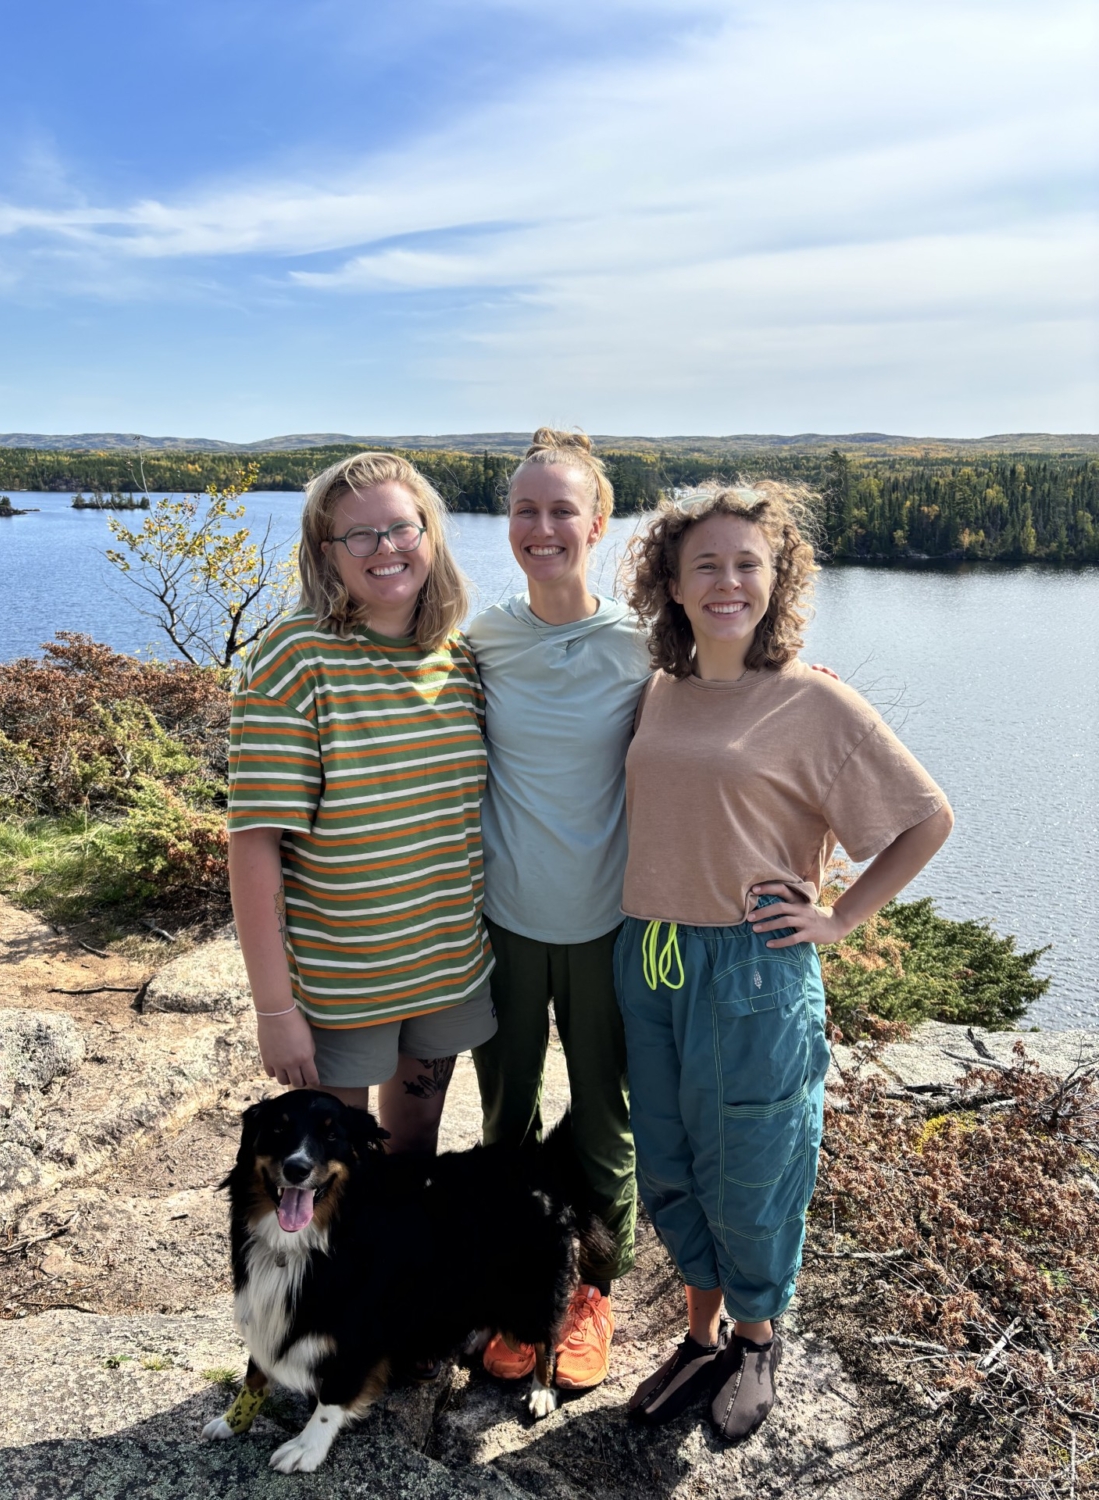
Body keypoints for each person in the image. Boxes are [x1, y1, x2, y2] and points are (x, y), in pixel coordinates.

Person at [616, 483, 954, 1442]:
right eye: (705, 566)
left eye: (746, 564)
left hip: (752, 967)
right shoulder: (659, 689)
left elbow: (927, 819)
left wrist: (839, 917)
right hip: (648, 954)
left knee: (753, 1164)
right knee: (670, 1160)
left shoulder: (814, 699)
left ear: (776, 579)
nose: (726, 582)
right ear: (672, 585)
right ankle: (699, 1335)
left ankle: (757, 1340)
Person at [227, 451, 496, 1159]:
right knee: (337, 1174)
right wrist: (274, 1009)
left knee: (413, 1153)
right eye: (359, 535)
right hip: (340, 985)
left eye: (402, 529)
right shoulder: (293, 659)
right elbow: (253, 842)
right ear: (328, 553)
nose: (385, 548)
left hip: (445, 967)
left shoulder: (457, 658)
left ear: (429, 536)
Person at [467, 429, 653, 1392]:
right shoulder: (480, 639)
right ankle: (511, 1286)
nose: (541, 528)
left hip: (605, 924)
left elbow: (730, 689)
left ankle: (589, 1293)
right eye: (524, 510)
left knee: (600, 1122)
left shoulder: (643, 643)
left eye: (561, 510)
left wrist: (801, 681)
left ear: (598, 522)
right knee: (504, 1116)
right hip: (502, 920)